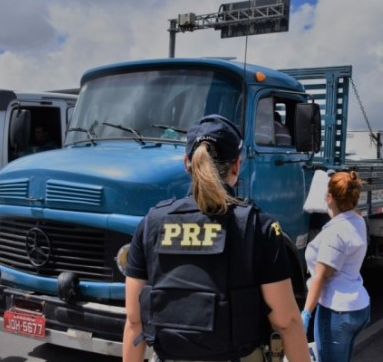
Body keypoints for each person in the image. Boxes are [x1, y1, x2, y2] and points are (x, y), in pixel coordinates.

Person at [123, 114, 310, 362]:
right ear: (237, 165)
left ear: (187, 163)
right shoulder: (258, 227)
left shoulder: (151, 224)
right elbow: (286, 322)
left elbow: (135, 322)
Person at [301, 170, 371, 362]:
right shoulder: (357, 221)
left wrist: (306, 313)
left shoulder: (334, 234)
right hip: (359, 308)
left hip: (336, 312)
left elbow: (320, 278)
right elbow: (350, 210)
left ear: (330, 197)